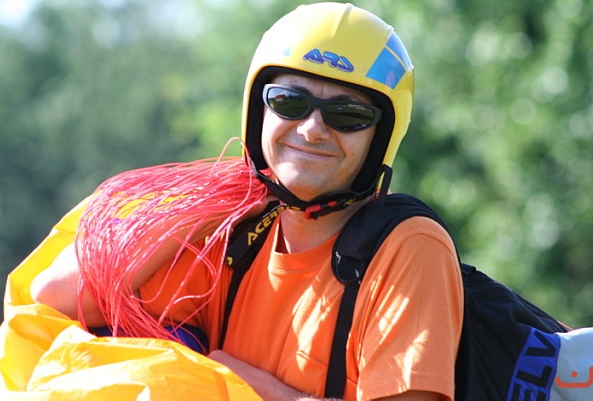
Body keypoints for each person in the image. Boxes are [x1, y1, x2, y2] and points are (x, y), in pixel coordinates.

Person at [29, 3, 463, 401]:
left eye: (347, 115)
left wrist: (256, 389)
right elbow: (57, 296)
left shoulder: (409, 248)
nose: (312, 129)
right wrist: (203, 207)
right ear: (259, 114)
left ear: (380, 138)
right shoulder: (236, 237)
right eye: (289, 102)